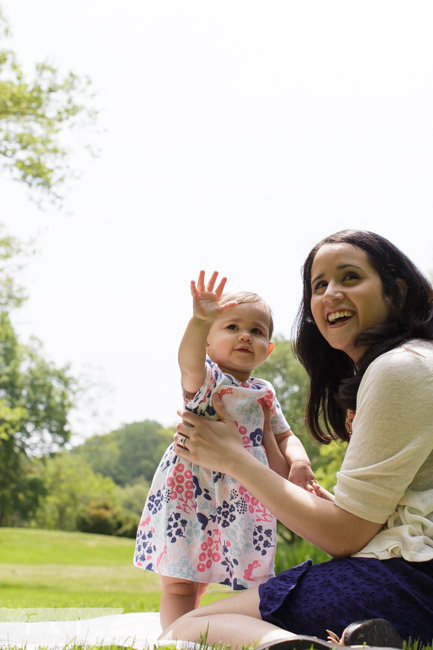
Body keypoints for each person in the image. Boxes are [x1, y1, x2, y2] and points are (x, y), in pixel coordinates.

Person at [161, 230, 433, 648]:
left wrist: (233, 458)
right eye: (319, 285)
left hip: (411, 580)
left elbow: (345, 537)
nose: (330, 294)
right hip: (413, 577)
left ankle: (286, 644)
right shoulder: (418, 361)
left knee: (188, 628)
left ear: (396, 292)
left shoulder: (401, 367)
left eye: (349, 277)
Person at [134, 271, 319, 631]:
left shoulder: (265, 392)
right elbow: (186, 361)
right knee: (182, 579)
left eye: (257, 330)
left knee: (248, 581)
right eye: (232, 327)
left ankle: (229, 630)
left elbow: (285, 436)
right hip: (192, 493)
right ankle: (178, 636)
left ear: (268, 349)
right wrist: (199, 320)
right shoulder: (207, 381)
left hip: (245, 498)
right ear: (207, 342)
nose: (245, 335)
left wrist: (300, 460)